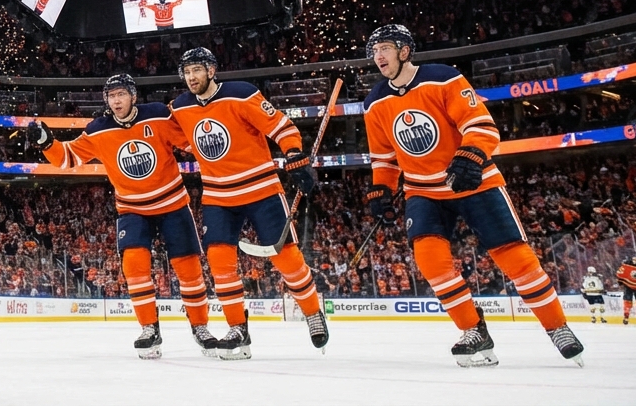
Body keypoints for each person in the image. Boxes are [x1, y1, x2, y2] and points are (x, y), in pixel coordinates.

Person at [362, 24, 583, 366]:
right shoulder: (374, 101)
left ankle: (557, 327)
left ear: (405, 51)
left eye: (385, 48)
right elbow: (384, 157)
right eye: (374, 51)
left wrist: (471, 156)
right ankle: (473, 329)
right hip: (422, 189)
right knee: (429, 258)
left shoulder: (444, 77)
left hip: (472, 181)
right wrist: (382, 189)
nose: (378, 56)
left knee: (514, 258)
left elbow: (480, 125)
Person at [30, 74, 217, 359]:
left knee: (189, 267)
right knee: (134, 265)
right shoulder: (98, 129)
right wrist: (46, 142)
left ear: (133, 96)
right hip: (132, 208)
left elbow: (192, 142)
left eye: (121, 95)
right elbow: (68, 157)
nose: (116, 101)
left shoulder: (157, 115)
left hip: (172, 204)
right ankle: (149, 328)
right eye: (111, 96)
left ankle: (200, 327)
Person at [164, 48, 326, 359]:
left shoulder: (242, 94)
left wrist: (294, 155)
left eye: (197, 70)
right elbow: (176, 136)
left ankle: (313, 312)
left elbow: (281, 127)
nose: (191, 77)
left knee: (287, 259)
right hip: (218, 194)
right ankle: (238, 329)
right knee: (219, 260)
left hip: (261, 188)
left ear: (212, 70)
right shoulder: (180, 107)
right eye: (186, 72)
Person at [617, 257, 636, 325]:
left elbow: (620, 272)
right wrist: (621, 281)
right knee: (628, 302)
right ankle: (626, 316)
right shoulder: (627, 265)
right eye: (635, 259)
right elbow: (621, 273)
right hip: (630, 286)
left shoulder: (627, 265)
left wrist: (621, 281)